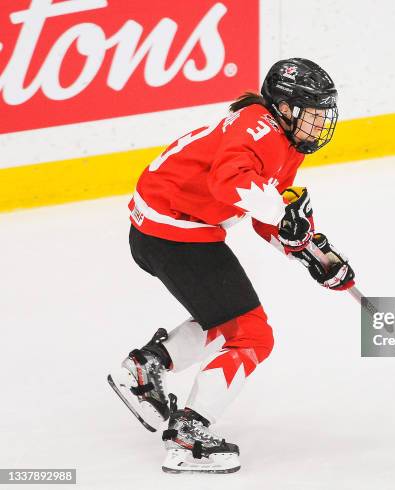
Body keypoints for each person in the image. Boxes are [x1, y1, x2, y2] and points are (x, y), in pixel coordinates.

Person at [107, 58, 355, 474]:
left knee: (230, 323)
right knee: (254, 335)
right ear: (286, 108)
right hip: (172, 230)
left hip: (173, 229)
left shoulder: (287, 145)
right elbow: (230, 181)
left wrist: (316, 256)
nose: (320, 123)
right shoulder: (258, 125)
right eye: (312, 112)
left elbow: (264, 216)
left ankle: (144, 368)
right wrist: (285, 217)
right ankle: (187, 438)